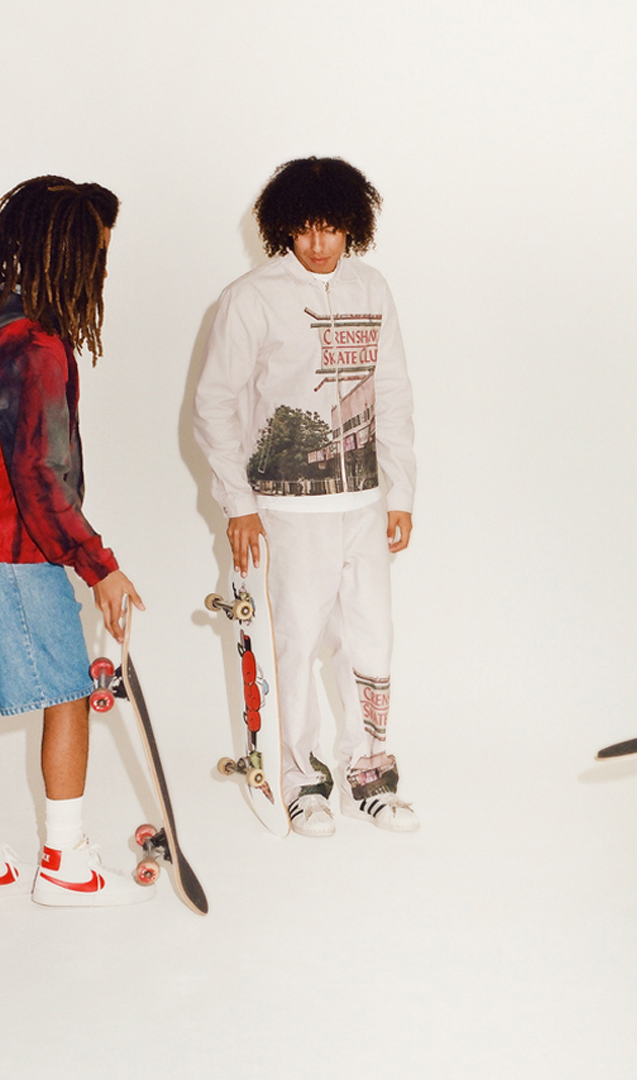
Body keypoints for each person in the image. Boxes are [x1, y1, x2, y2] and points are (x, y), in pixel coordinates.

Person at [0, 176, 150, 906]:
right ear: (65, 254)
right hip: (13, 552)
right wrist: (99, 567)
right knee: (71, 696)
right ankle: (66, 864)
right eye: (98, 255)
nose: (102, 273)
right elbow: (39, 476)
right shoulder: (37, 346)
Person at [194, 156, 419, 838]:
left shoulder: (372, 288)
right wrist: (237, 504)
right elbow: (215, 405)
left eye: (333, 229)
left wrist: (401, 490)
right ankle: (302, 783)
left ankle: (371, 776)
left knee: (372, 642)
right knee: (292, 644)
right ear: (283, 229)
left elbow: (393, 394)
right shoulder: (251, 297)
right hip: (287, 512)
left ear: (355, 227)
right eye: (305, 229)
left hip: (365, 506)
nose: (319, 244)